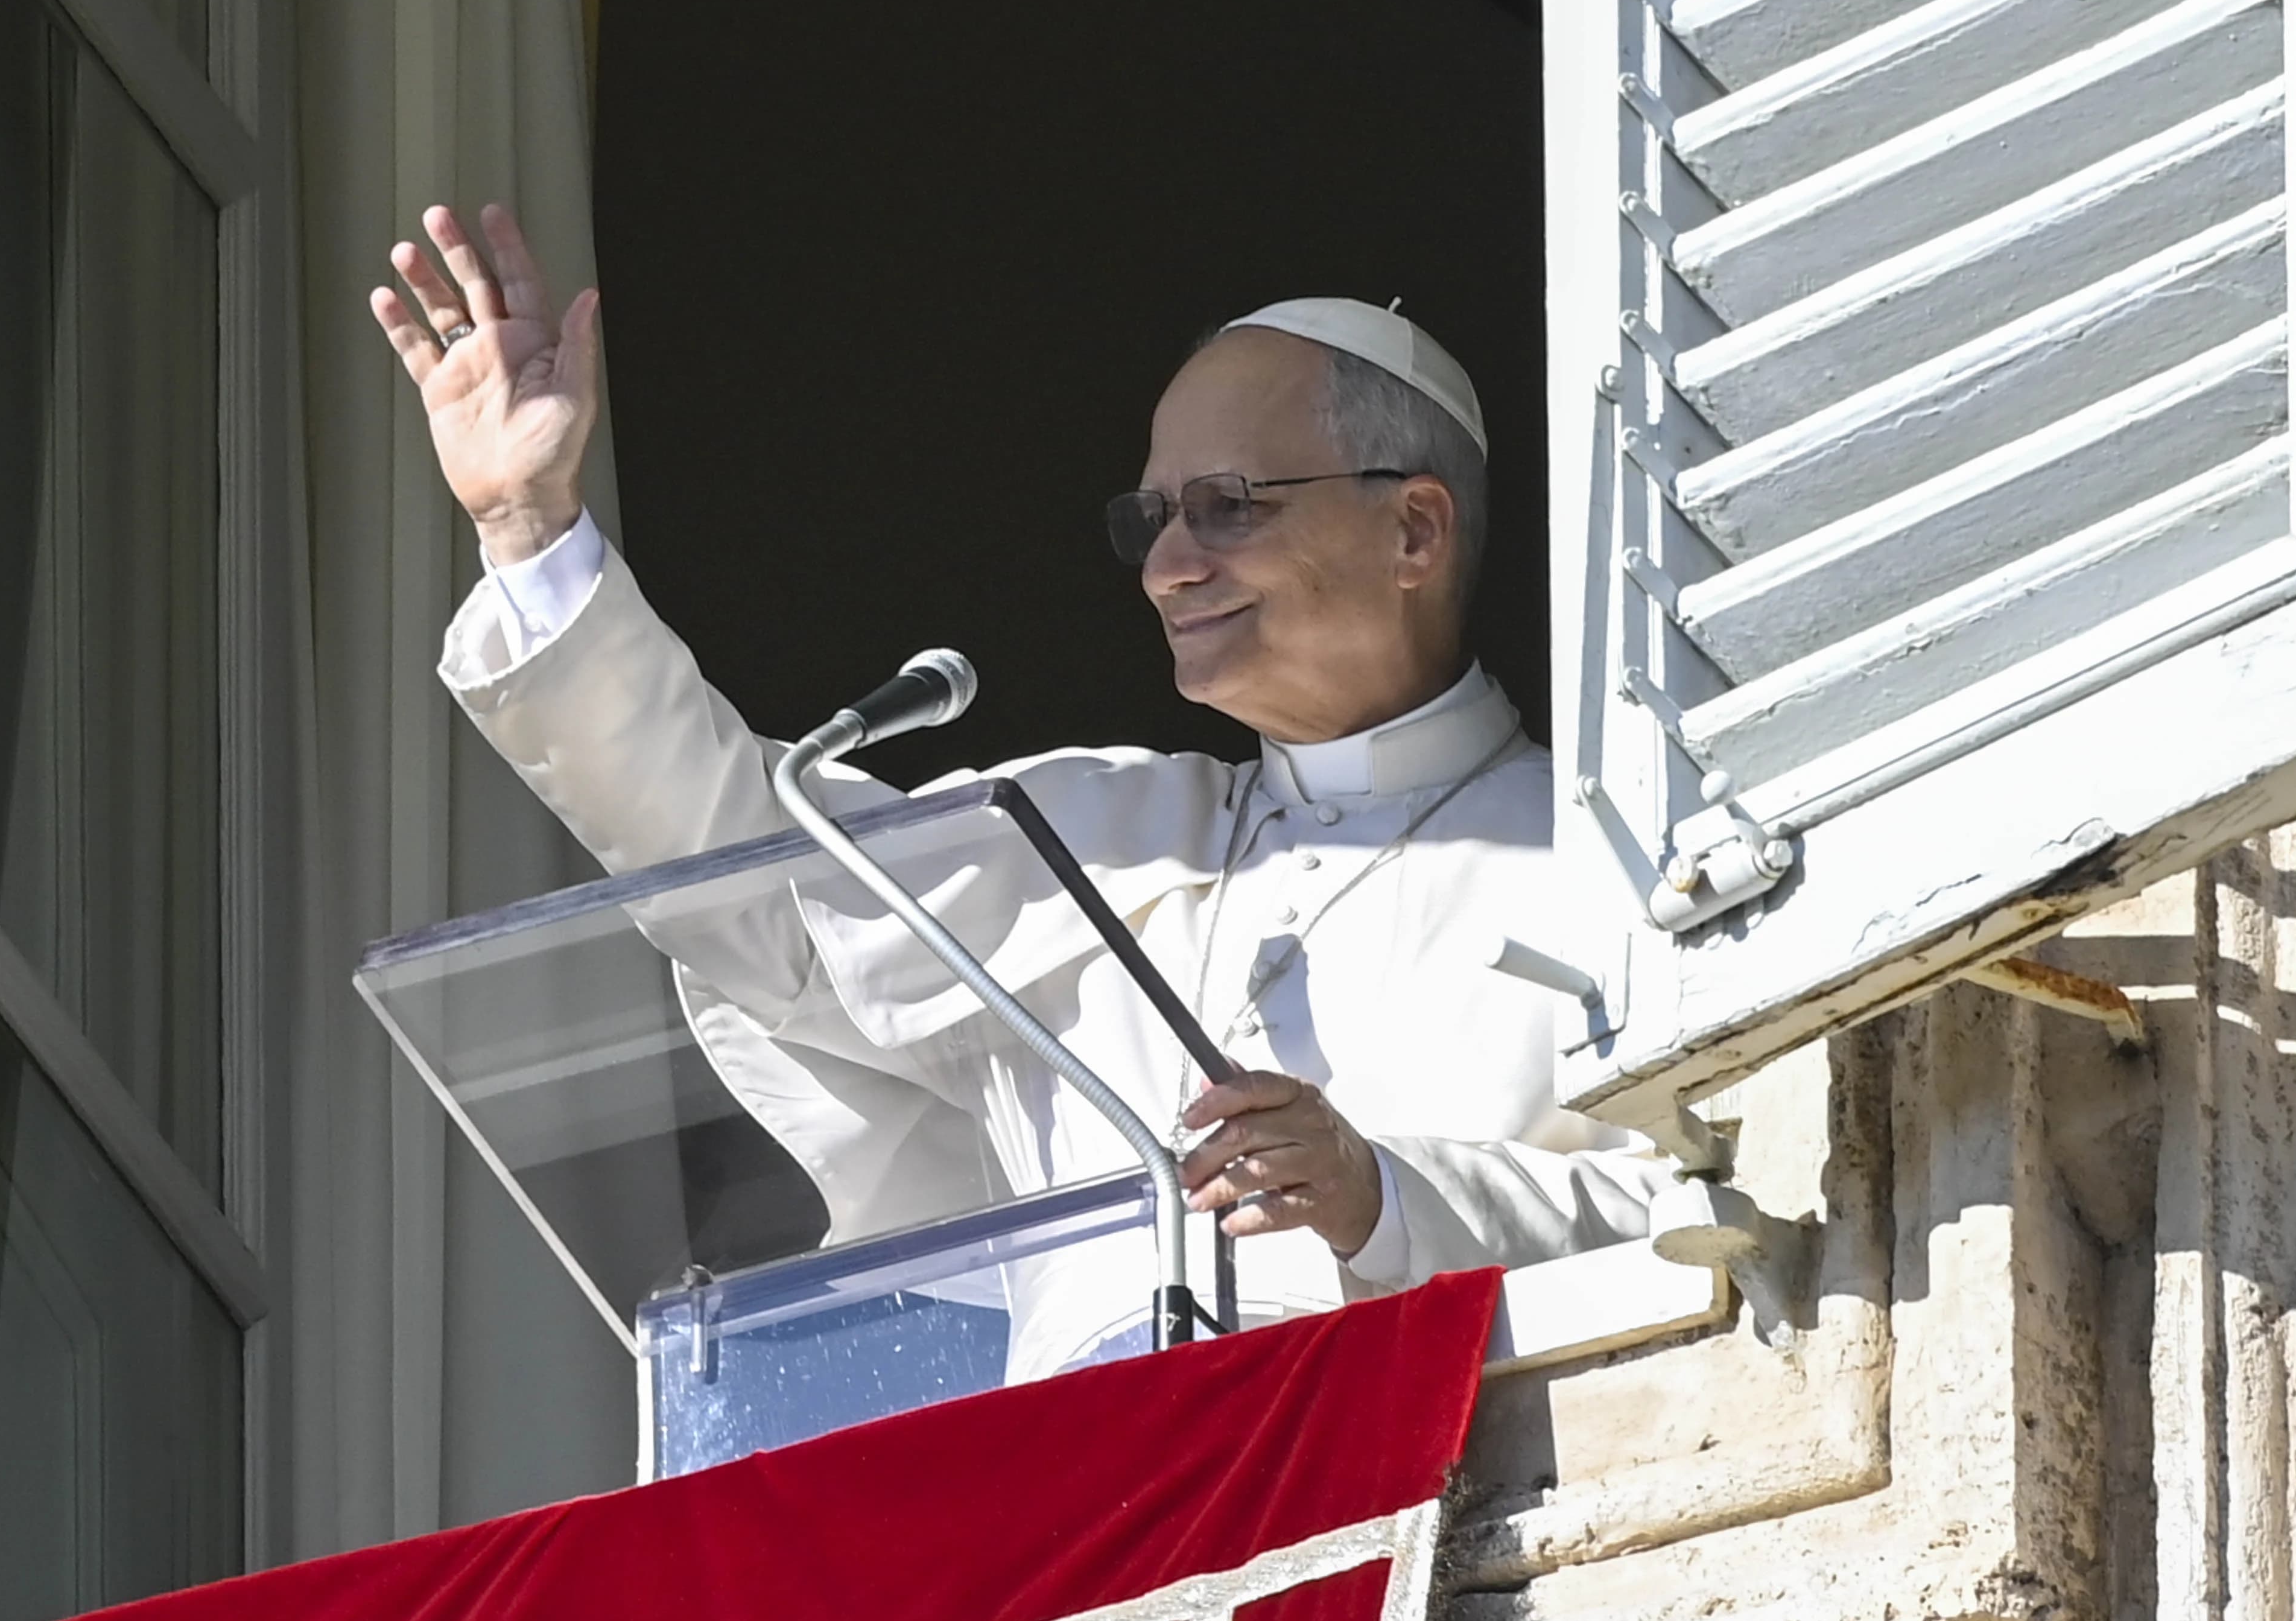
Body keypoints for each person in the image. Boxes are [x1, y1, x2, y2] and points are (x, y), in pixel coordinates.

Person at [372, 202, 1682, 1363]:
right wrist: (527, 530)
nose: (1168, 563)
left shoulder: (1614, 856)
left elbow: (1698, 1214)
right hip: (1077, 1518)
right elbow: (757, 886)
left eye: (1228, 504)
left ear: (1412, 528)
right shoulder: (1089, 831)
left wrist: (1381, 1198)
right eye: (1151, 517)